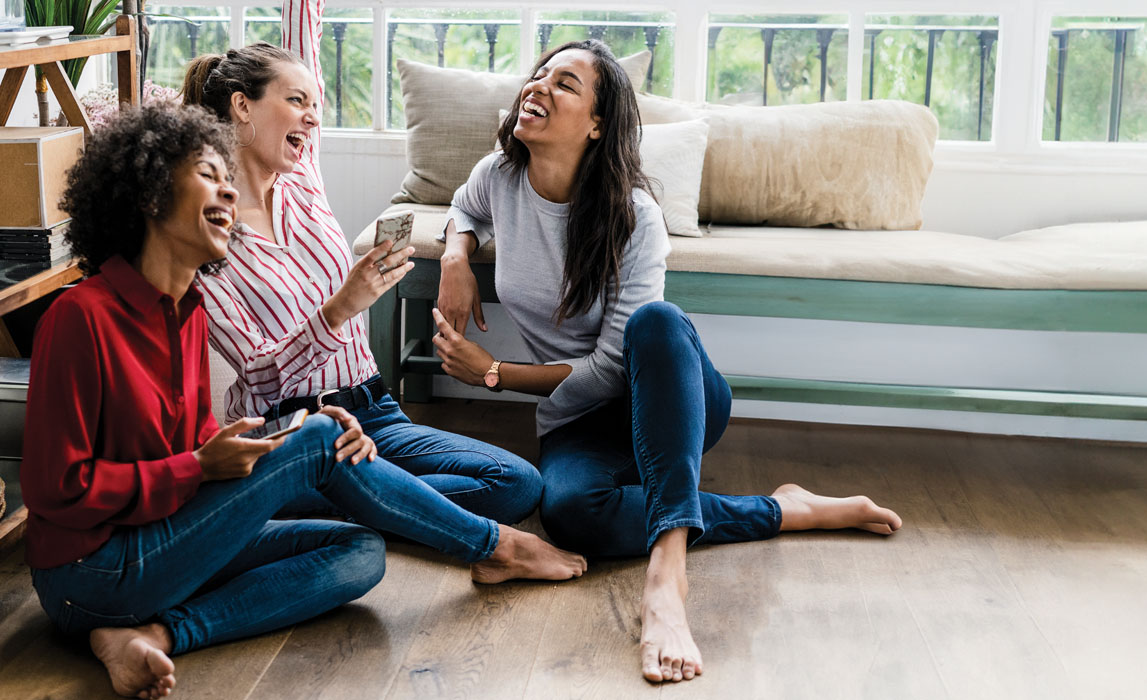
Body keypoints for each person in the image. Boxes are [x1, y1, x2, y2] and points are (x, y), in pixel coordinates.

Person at [21, 104, 585, 700]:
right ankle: (495, 545)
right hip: (90, 574)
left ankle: (156, 634)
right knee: (319, 437)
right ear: (149, 194)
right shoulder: (80, 317)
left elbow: (197, 445)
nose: (227, 191)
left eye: (227, 180)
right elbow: (57, 488)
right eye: (207, 174)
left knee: (358, 550)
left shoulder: (184, 313)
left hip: (167, 548)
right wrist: (208, 465)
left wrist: (274, 441)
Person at [433, 40, 905, 684]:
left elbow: (611, 368)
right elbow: (465, 204)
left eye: (565, 84)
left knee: (655, 324)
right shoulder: (500, 176)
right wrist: (455, 259)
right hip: (580, 421)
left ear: (598, 125)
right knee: (570, 514)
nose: (538, 86)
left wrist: (493, 374)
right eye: (539, 75)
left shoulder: (635, 215)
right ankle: (784, 509)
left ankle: (667, 573)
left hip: (667, 390)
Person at [180, 0, 540, 526]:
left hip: (374, 409)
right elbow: (259, 377)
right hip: (293, 432)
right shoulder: (201, 233)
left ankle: (359, 501)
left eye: (313, 101)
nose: (313, 113)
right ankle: (370, 499)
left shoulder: (301, 176)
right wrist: (340, 308)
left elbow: (305, 36)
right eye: (295, 99)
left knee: (515, 484)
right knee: (481, 495)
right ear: (242, 106)